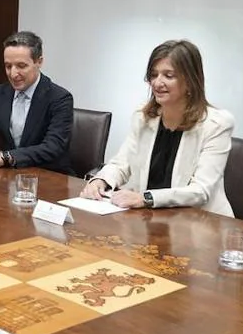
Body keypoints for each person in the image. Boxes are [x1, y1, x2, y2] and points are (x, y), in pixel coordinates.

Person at [81, 40, 234, 215]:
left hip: (201, 224)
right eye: (154, 75)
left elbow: (200, 191)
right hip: (151, 219)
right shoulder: (143, 118)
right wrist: (100, 181)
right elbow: (121, 163)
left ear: (191, 81)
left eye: (168, 76)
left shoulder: (216, 125)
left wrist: (145, 198)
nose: (157, 82)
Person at [0, 31, 73, 173]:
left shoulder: (60, 98)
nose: (13, 74)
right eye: (8, 66)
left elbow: (53, 147)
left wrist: (5, 157)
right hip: (8, 177)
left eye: (21, 66)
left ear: (39, 62)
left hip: (48, 178)